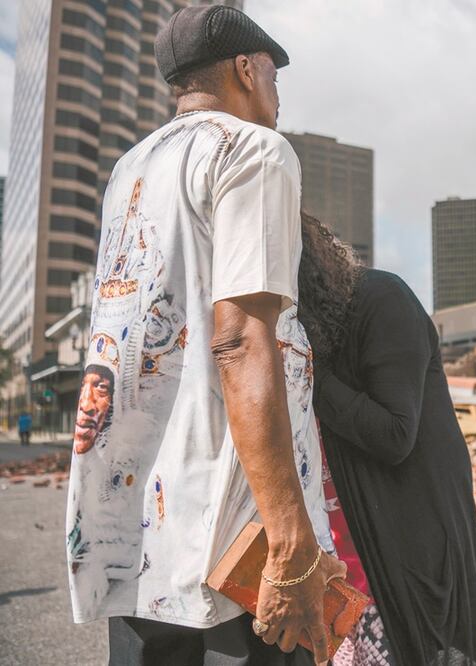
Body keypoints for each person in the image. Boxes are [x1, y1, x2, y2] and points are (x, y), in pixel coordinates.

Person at [64, 6, 345, 665]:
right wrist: (290, 545)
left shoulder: (130, 170)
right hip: (231, 528)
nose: (277, 91)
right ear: (245, 70)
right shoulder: (254, 151)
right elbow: (242, 339)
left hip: (135, 527)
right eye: (273, 74)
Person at [297, 214, 476, 666]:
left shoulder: (381, 298)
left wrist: (301, 365)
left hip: (409, 536)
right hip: (347, 540)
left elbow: (394, 434)